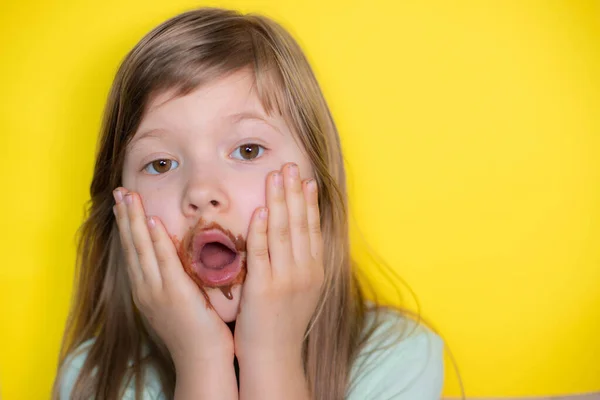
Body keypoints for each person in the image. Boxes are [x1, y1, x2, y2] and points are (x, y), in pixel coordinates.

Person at [52, 7, 444, 400]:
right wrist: (202, 361)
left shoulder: (398, 359)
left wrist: (271, 354)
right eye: (161, 163)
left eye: (248, 150)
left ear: (317, 185)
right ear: (122, 212)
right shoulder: (94, 380)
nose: (201, 191)